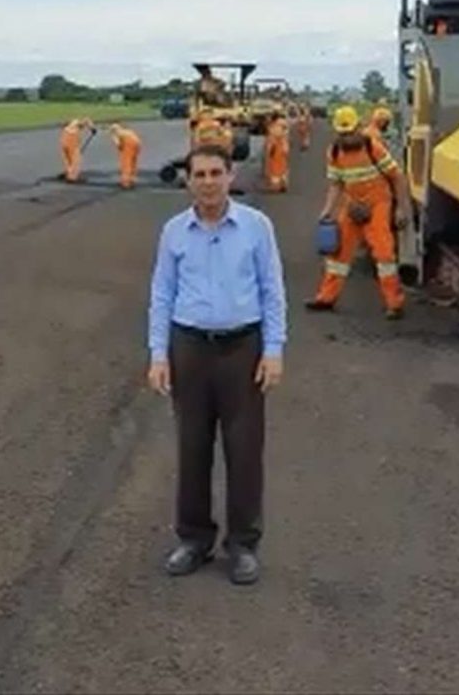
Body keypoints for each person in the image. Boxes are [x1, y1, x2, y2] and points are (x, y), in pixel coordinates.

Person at [146, 144, 286, 586]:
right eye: (198, 174)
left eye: (214, 173)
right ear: (188, 180)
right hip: (189, 347)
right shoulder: (174, 232)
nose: (206, 182)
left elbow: (272, 290)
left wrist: (274, 349)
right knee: (192, 446)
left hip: (242, 348)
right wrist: (157, 355)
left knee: (244, 450)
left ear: (231, 176)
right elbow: (161, 294)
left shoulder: (256, 227)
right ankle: (193, 539)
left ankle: (243, 545)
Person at [306, 105, 406, 320]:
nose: (347, 137)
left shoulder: (373, 147)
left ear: (359, 128)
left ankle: (394, 303)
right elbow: (336, 184)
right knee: (338, 254)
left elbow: (397, 177)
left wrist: (400, 208)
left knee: (384, 253)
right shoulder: (334, 152)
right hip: (352, 205)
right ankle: (326, 298)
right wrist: (327, 211)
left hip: (379, 203)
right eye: (343, 133)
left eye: (350, 132)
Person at [263, 114, 290, 193]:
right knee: (282, 164)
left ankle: (277, 184)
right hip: (281, 148)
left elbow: (271, 140)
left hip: (276, 148)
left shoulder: (273, 127)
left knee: (275, 166)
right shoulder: (282, 124)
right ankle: (282, 182)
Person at [110, 122, 142, 189]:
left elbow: (119, 145)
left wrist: (121, 149)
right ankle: (132, 180)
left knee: (126, 163)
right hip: (137, 143)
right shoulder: (128, 131)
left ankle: (125, 183)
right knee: (133, 162)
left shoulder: (116, 133)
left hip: (128, 143)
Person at [60, 117, 91, 182]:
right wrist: (92, 127)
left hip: (64, 140)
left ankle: (68, 172)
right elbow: (86, 120)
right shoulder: (76, 122)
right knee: (75, 159)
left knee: (67, 158)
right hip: (71, 140)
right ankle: (72, 177)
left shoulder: (68, 127)